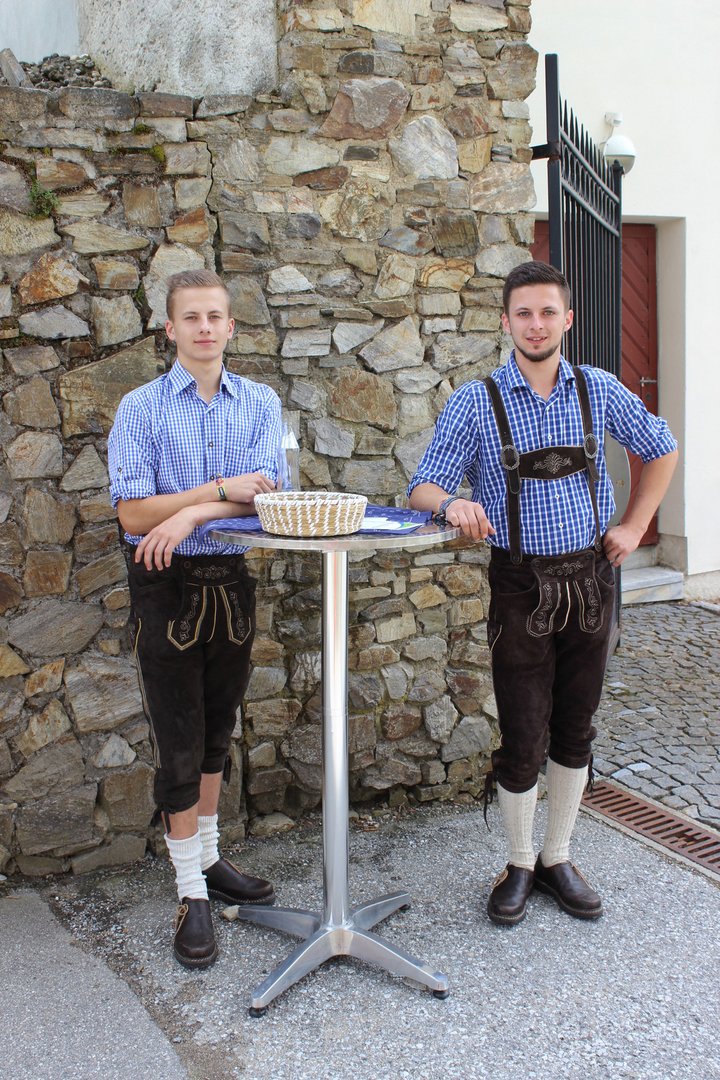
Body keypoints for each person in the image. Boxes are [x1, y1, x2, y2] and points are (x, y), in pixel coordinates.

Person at [409, 260, 678, 926]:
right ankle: (519, 862)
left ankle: (558, 857)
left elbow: (661, 446)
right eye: (524, 313)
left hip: (592, 580)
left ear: (568, 320)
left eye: (547, 312)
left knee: (576, 725)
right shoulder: (477, 401)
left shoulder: (598, 388)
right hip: (520, 585)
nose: (536, 324)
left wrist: (635, 525)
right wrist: (451, 505)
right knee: (523, 730)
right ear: (506, 322)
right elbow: (423, 485)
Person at [108, 269, 282, 968]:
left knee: (216, 733)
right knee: (178, 742)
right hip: (165, 585)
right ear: (170, 329)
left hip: (230, 583)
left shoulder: (260, 402)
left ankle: (208, 860)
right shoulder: (141, 408)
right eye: (192, 317)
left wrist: (188, 513)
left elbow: (268, 496)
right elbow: (132, 514)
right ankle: (190, 893)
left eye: (215, 317)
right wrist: (216, 491)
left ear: (231, 326)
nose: (205, 328)